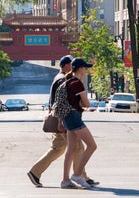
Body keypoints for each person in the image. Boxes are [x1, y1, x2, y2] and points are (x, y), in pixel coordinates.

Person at [27, 55, 97, 189]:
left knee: (61, 149)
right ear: (67, 66)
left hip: (61, 118)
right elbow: (67, 102)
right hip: (64, 118)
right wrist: (61, 120)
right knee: (78, 148)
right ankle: (80, 176)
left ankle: (38, 173)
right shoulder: (66, 80)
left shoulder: (61, 78)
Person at [61, 58, 98, 189]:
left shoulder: (69, 81)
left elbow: (80, 102)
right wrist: (83, 102)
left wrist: (81, 103)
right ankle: (77, 175)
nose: (86, 70)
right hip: (74, 116)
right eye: (85, 67)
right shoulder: (77, 83)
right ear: (80, 69)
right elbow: (87, 104)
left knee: (70, 149)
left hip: (67, 116)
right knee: (92, 146)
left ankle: (65, 180)